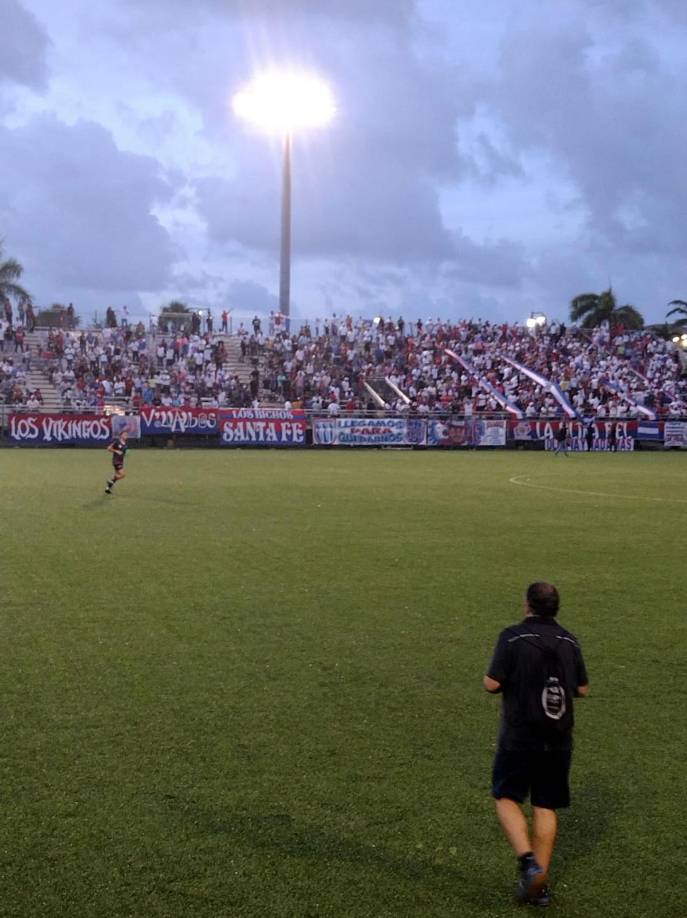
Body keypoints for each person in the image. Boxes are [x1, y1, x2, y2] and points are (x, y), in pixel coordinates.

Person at [484, 582, 589, 907]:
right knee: (545, 805)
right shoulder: (569, 640)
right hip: (558, 739)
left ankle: (528, 863)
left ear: (527, 604)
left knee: (505, 796)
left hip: (520, 736)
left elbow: (491, 684)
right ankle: (538, 887)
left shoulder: (513, 637)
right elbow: (583, 689)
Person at [105, 429, 129, 494]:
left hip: (120, 462)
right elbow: (108, 448)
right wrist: (116, 451)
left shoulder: (125, 445)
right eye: (124, 434)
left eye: (127, 435)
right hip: (116, 461)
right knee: (123, 475)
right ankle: (110, 480)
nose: (126, 435)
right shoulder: (117, 442)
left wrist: (126, 453)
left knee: (116, 475)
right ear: (121, 436)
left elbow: (123, 454)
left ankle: (108, 488)